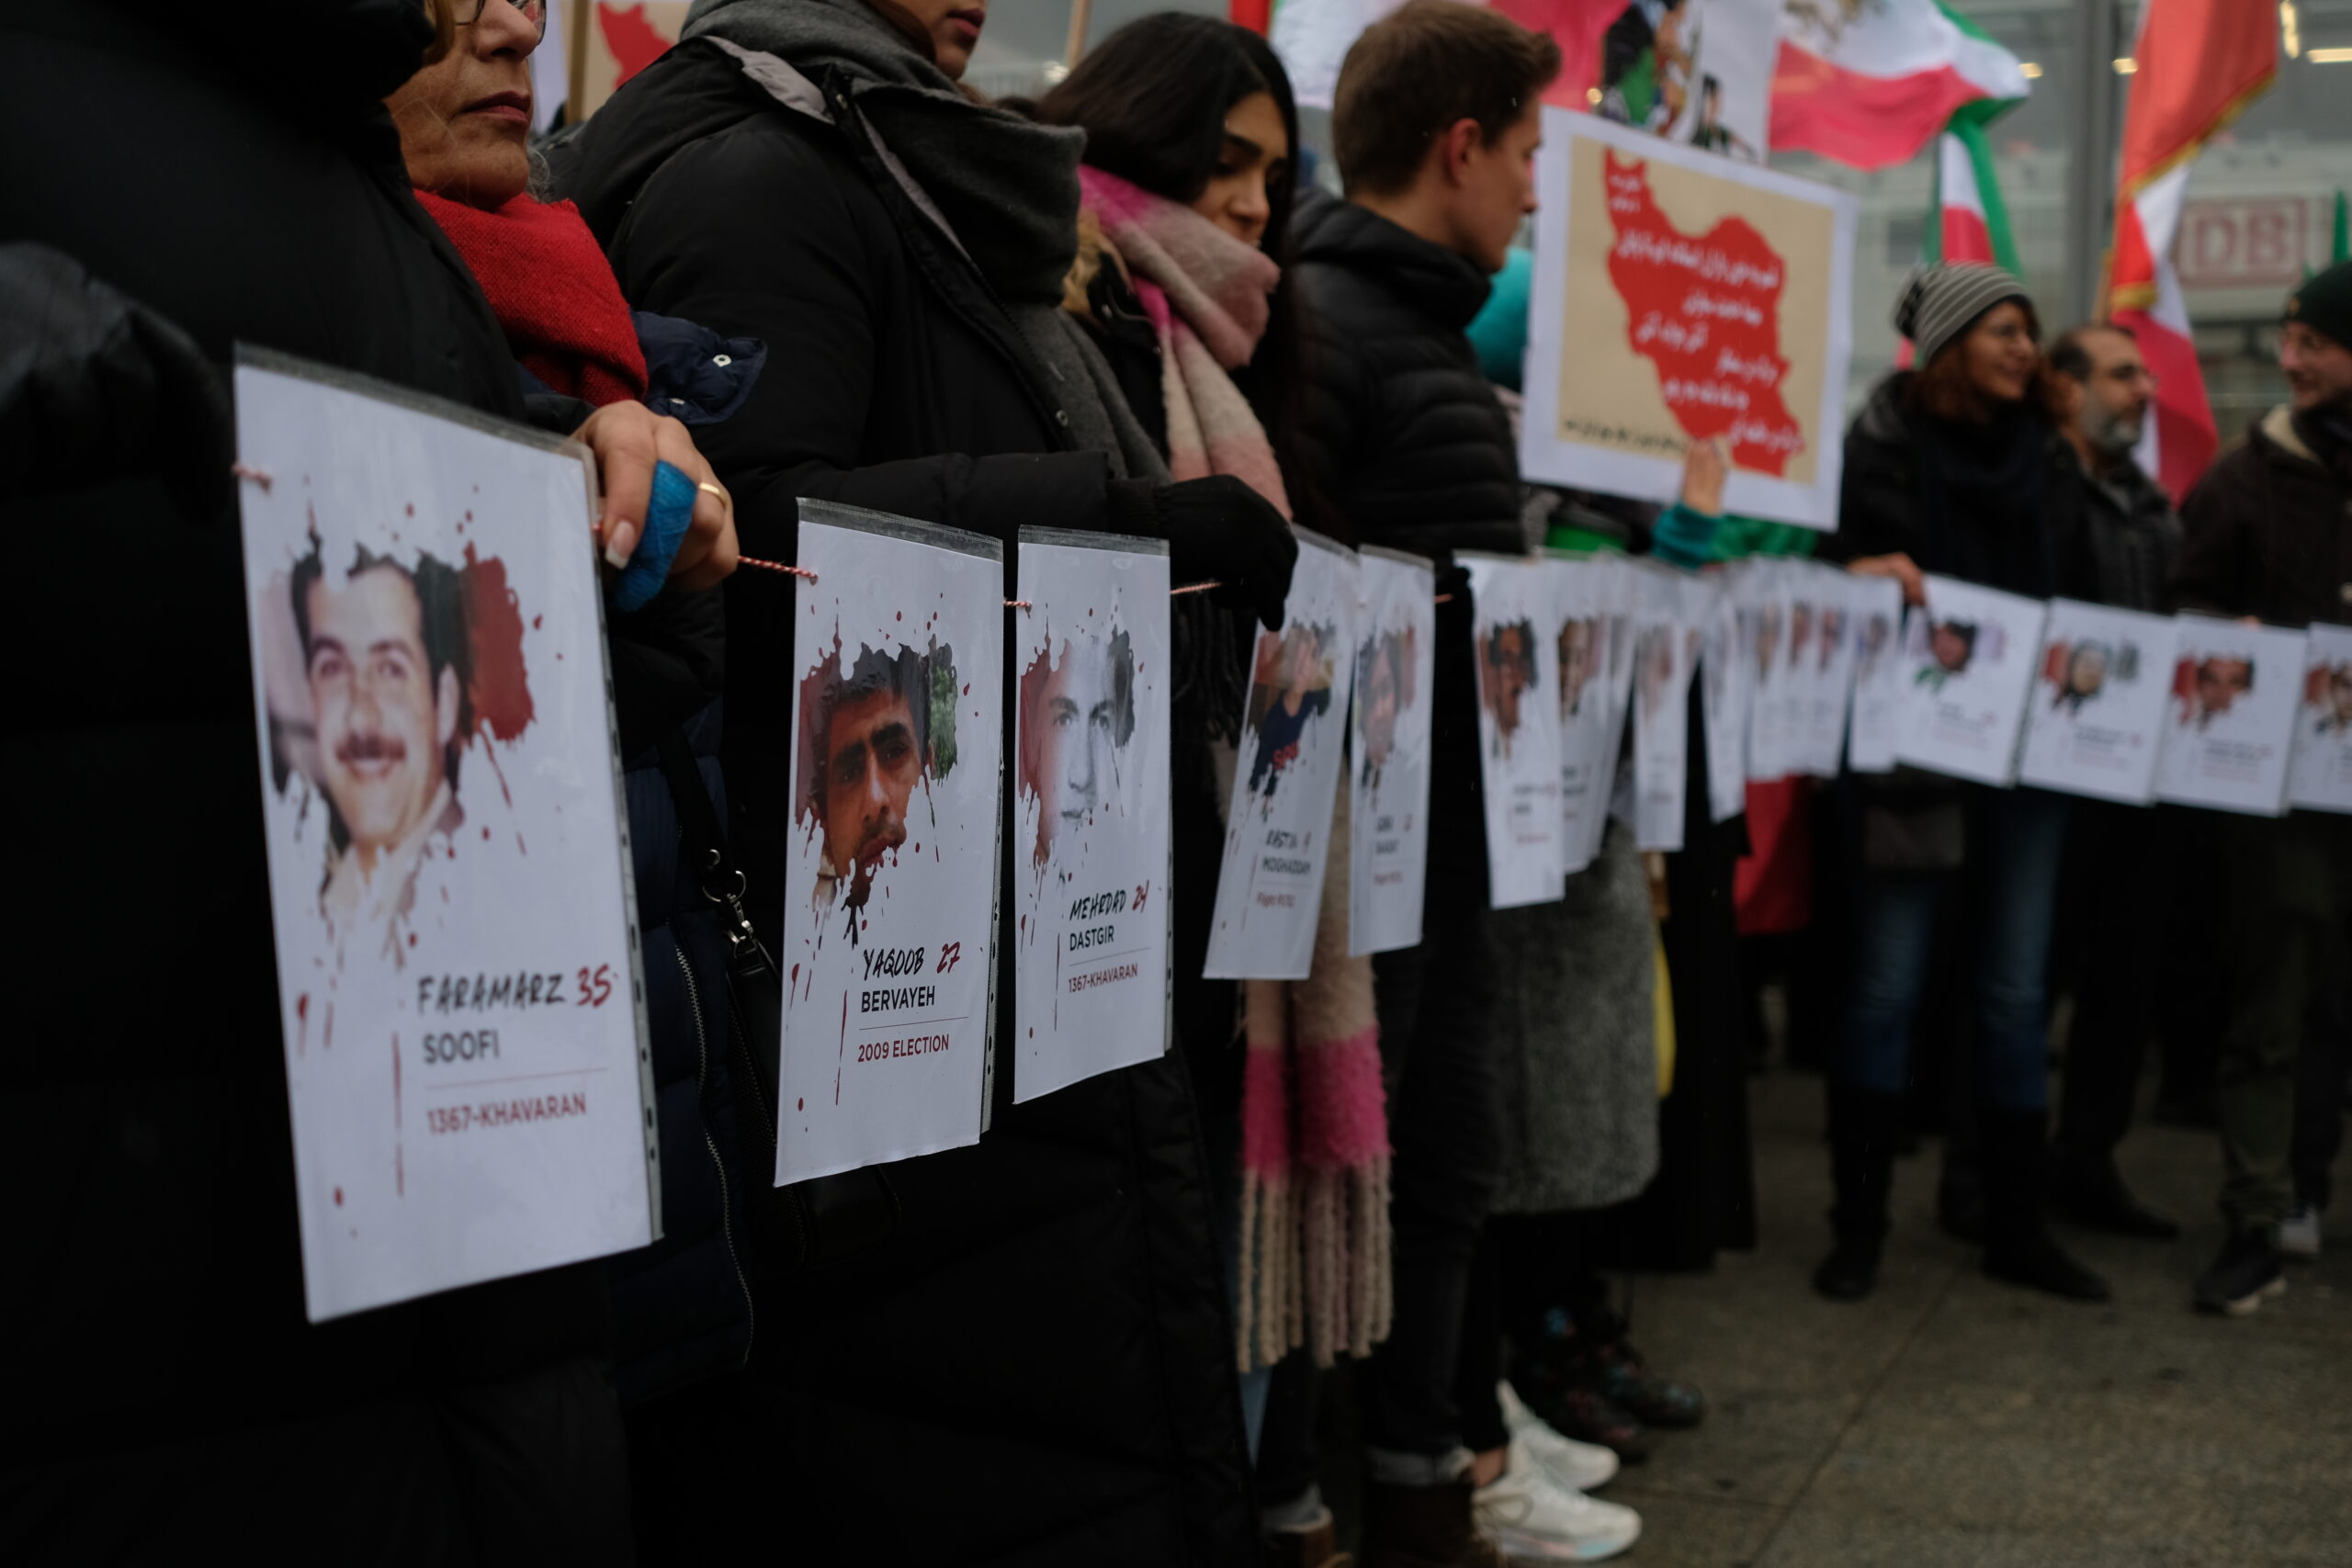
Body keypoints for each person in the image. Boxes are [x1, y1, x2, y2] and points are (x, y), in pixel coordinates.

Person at [556, 2, 1296, 1560]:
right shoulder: (760, 174)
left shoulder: (894, 158)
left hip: (1001, 949)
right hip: (889, 979)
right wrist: (1118, 518)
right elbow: (752, 542)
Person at [0, 1, 729, 1556]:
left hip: (450, 1333)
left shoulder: (344, 175)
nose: (516, 21)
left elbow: (529, 721)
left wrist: (610, 511)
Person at [1260, 6, 1641, 1565]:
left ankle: (1438, 1447)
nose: (1540, 190)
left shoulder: (1412, 327)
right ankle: (1351, 1471)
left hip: (1448, 838)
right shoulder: (1330, 327)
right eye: (1531, 154)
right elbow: (1291, 602)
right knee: (1369, 1162)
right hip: (1365, 857)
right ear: (1461, 148)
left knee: (1448, 1153)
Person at [1813, 263, 2109, 1305]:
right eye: (2000, 328)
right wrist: (1853, 578)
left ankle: (2014, 1228)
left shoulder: (2052, 457)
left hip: (2030, 757)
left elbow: (2089, 592)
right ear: (1947, 346)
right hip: (1913, 756)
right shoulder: (1877, 449)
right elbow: (1819, 572)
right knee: (1887, 986)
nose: (2025, 347)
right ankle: (1857, 1230)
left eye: (2028, 328)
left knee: (2016, 994)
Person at [2171, 259, 2352, 1316]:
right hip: (2284, 804)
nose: (2290, 362)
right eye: (2287, 342)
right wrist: (2219, 637)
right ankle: (2255, 1218)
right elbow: (2180, 610)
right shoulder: (2243, 480)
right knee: (2272, 1011)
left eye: (2313, 344)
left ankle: (2309, 1188)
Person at [2039, 322, 2186, 1243]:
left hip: (2140, 783)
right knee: (2028, 981)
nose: (2143, 390)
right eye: (2123, 374)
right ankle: (1994, 1174)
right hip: (2052, 781)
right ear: (2065, 390)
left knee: (2124, 987)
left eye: (2145, 375)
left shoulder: (2150, 500)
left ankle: (2088, 1162)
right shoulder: (2034, 483)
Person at [293, 546, 471, 959]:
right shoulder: (315, 908)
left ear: (444, 704)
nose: (360, 716)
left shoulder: (486, 892)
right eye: (332, 668)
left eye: (390, 669)